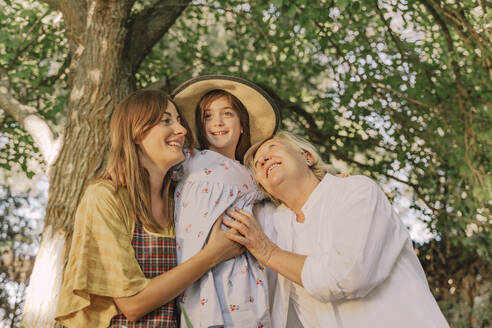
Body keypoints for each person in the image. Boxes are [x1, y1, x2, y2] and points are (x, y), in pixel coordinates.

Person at [55, 89, 244, 327]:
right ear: (135, 131)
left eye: (179, 120)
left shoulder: (180, 199)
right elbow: (132, 304)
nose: (182, 130)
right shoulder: (105, 197)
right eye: (166, 120)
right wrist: (212, 255)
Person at [224, 131, 450, 327]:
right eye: (257, 164)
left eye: (272, 148)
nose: (263, 159)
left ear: (307, 157)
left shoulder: (356, 191)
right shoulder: (276, 228)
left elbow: (349, 274)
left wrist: (269, 253)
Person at [171, 75, 280, 327]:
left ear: (242, 124)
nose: (217, 122)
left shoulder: (253, 174)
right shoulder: (190, 160)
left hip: (238, 274)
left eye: (227, 114)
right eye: (208, 116)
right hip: (195, 266)